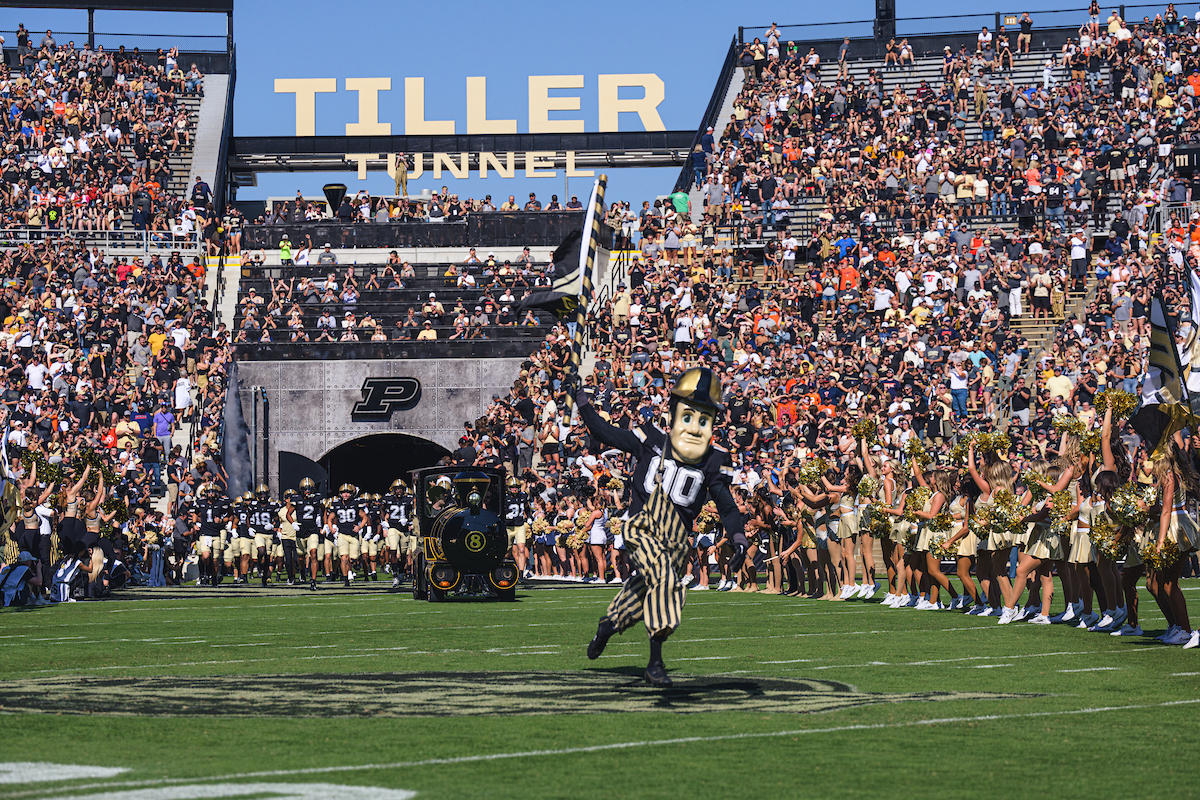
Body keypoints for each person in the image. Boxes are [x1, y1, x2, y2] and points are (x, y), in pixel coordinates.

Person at [576, 367, 749, 687]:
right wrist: (584, 404)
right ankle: (655, 663)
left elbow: (726, 505)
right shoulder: (652, 439)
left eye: (704, 417)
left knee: (640, 596)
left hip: (675, 540)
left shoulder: (713, 459)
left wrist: (738, 537)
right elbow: (606, 434)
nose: (695, 424)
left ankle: (607, 626)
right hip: (642, 528)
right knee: (667, 583)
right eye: (689, 413)